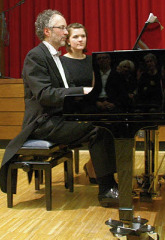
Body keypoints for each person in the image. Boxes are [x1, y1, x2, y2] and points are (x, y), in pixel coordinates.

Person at [0, 9, 118, 206]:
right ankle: (106, 189)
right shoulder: (35, 56)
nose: (65, 32)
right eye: (62, 28)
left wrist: (94, 100)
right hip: (43, 123)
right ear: (47, 31)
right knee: (99, 128)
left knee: (106, 120)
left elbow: (67, 90)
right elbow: (45, 95)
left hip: (59, 118)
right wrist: (83, 90)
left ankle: (111, 182)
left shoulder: (56, 57)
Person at [61, 22, 96, 183]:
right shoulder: (61, 63)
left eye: (83, 36)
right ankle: (96, 168)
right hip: (71, 109)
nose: (80, 40)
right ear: (68, 41)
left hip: (90, 106)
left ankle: (93, 165)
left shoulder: (92, 61)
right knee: (101, 127)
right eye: (75, 37)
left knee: (115, 123)